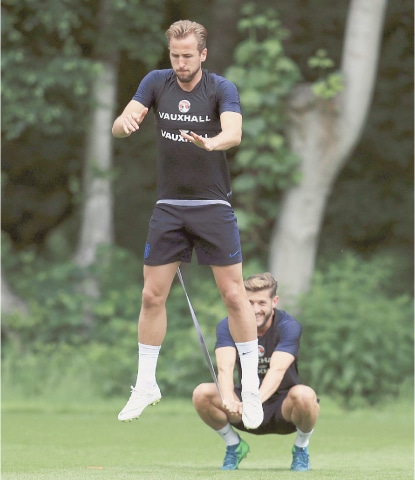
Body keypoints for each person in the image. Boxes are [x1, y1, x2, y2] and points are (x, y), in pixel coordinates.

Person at [111, 20, 263, 429]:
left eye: (187, 56)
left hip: (212, 206)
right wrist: (125, 123)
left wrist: (211, 142)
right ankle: (146, 385)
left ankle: (250, 385)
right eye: (175, 56)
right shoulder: (156, 82)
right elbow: (126, 118)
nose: (180, 63)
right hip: (169, 207)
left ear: (203, 55)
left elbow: (234, 132)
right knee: (150, 296)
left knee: (234, 295)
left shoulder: (220, 89)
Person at [192, 272, 320, 472]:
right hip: (243, 406)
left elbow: (277, 370)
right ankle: (234, 445)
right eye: (250, 302)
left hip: (283, 409)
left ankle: (301, 449)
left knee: (305, 395)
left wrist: (254, 402)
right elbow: (224, 369)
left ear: (274, 301)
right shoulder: (227, 325)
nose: (255, 309)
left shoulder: (289, 326)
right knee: (202, 393)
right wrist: (228, 398)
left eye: (261, 302)